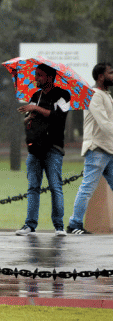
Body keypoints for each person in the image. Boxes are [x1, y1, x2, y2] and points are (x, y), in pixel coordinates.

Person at [15, 63, 71, 236]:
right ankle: (30, 224)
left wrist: (35, 108)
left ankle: (59, 226)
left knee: (55, 186)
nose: (36, 78)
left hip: (53, 147)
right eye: (35, 74)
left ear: (49, 77)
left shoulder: (63, 95)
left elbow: (59, 117)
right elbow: (25, 119)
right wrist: (29, 116)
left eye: (39, 75)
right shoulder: (35, 95)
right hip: (35, 149)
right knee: (33, 187)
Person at [67, 63, 113, 234]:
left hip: (108, 149)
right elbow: (104, 124)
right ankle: (74, 224)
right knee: (87, 189)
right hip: (97, 149)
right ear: (101, 76)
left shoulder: (105, 95)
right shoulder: (93, 95)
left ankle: (75, 223)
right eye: (111, 72)